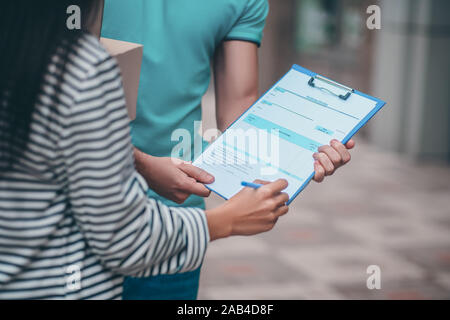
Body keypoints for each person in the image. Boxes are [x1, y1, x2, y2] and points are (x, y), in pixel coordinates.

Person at [0, 0, 294, 299]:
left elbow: (239, 112)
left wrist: (301, 152)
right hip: (94, 224)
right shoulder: (84, 66)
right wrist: (225, 220)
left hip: (168, 222)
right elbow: (121, 234)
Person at [101, 0, 355, 300]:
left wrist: (305, 146)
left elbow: (239, 108)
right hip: (80, 196)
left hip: (177, 213)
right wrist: (140, 163)